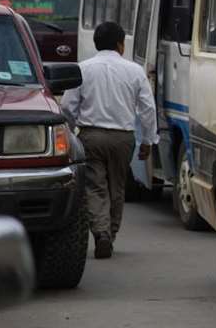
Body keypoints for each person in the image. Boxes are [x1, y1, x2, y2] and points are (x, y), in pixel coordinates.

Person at [61, 21, 157, 259]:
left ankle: (101, 233)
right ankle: (110, 234)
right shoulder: (134, 71)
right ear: (120, 45)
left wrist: (70, 133)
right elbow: (147, 109)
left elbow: (67, 107)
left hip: (90, 136)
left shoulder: (82, 69)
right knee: (117, 186)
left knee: (95, 187)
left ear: (96, 44)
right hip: (123, 138)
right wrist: (147, 140)